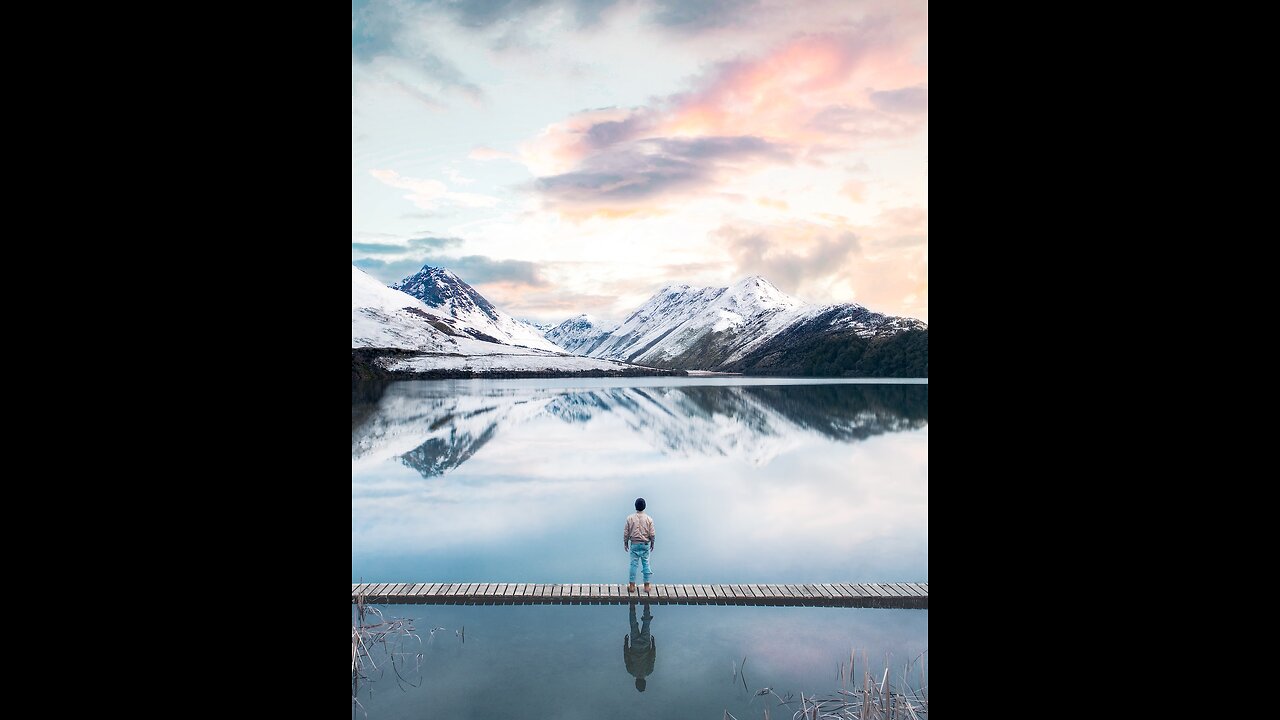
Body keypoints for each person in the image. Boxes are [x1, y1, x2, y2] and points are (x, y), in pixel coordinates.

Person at [624, 497, 656, 593]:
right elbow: (652, 533)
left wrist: (625, 542)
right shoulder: (649, 519)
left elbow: (626, 532)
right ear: (644, 507)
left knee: (633, 564)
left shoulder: (629, 518)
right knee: (646, 563)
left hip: (634, 544)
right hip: (645, 544)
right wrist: (652, 543)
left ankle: (632, 586)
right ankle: (646, 586)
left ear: (635, 507)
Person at [623, 602, 655, 692]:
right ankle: (632, 606)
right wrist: (626, 643)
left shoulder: (649, 671)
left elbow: (652, 657)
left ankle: (646, 604)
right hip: (635, 644)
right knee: (633, 625)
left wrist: (653, 644)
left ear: (645, 682)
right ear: (636, 682)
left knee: (646, 624)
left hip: (645, 644)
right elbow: (626, 657)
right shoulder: (631, 671)